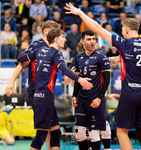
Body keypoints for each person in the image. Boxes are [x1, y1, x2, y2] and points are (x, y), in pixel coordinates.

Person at [64, 0, 141, 149]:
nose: (121, 32)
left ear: (127, 31)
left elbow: (97, 28)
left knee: (122, 132)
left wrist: (81, 13)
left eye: (122, 29)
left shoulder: (124, 44)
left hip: (130, 93)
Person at [16, 28, 93, 150]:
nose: (65, 39)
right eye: (63, 37)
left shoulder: (39, 50)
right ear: (56, 39)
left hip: (40, 96)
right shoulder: (56, 53)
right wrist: (80, 80)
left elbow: (20, 58)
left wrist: (28, 50)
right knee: (41, 135)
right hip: (45, 97)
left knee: (56, 133)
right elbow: (64, 69)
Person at [5, 20, 62, 150]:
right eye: (55, 32)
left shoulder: (53, 47)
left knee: (54, 132)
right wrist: (11, 82)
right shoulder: (36, 45)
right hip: (37, 91)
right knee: (43, 132)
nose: (58, 36)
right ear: (46, 31)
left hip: (48, 91)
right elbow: (21, 63)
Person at [69, 29, 111, 150]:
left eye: (93, 39)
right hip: (82, 100)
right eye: (89, 39)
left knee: (93, 133)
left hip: (95, 100)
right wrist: (74, 95)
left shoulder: (101, 56)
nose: (92, 41)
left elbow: (107, 80)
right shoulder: (78, 57)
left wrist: (99, 98)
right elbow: (78, 79)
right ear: (83, 42)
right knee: (80, 133)